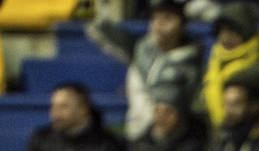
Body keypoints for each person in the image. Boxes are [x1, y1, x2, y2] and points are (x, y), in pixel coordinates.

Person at [86, 0, 202, 140]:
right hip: (137, 134)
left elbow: (193, 106)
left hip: (176, 139)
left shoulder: (193, 63)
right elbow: (98, 30)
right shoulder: (141, 49)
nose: (159, 23)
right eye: (155, 18)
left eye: (167, 18)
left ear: (182, 25)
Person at [197, 1, 259, 128]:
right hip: (215, 137)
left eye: (232, 31)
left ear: (245, 31)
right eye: (221, 31)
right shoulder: (213, 63)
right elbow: (196, 106)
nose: (225, 37)